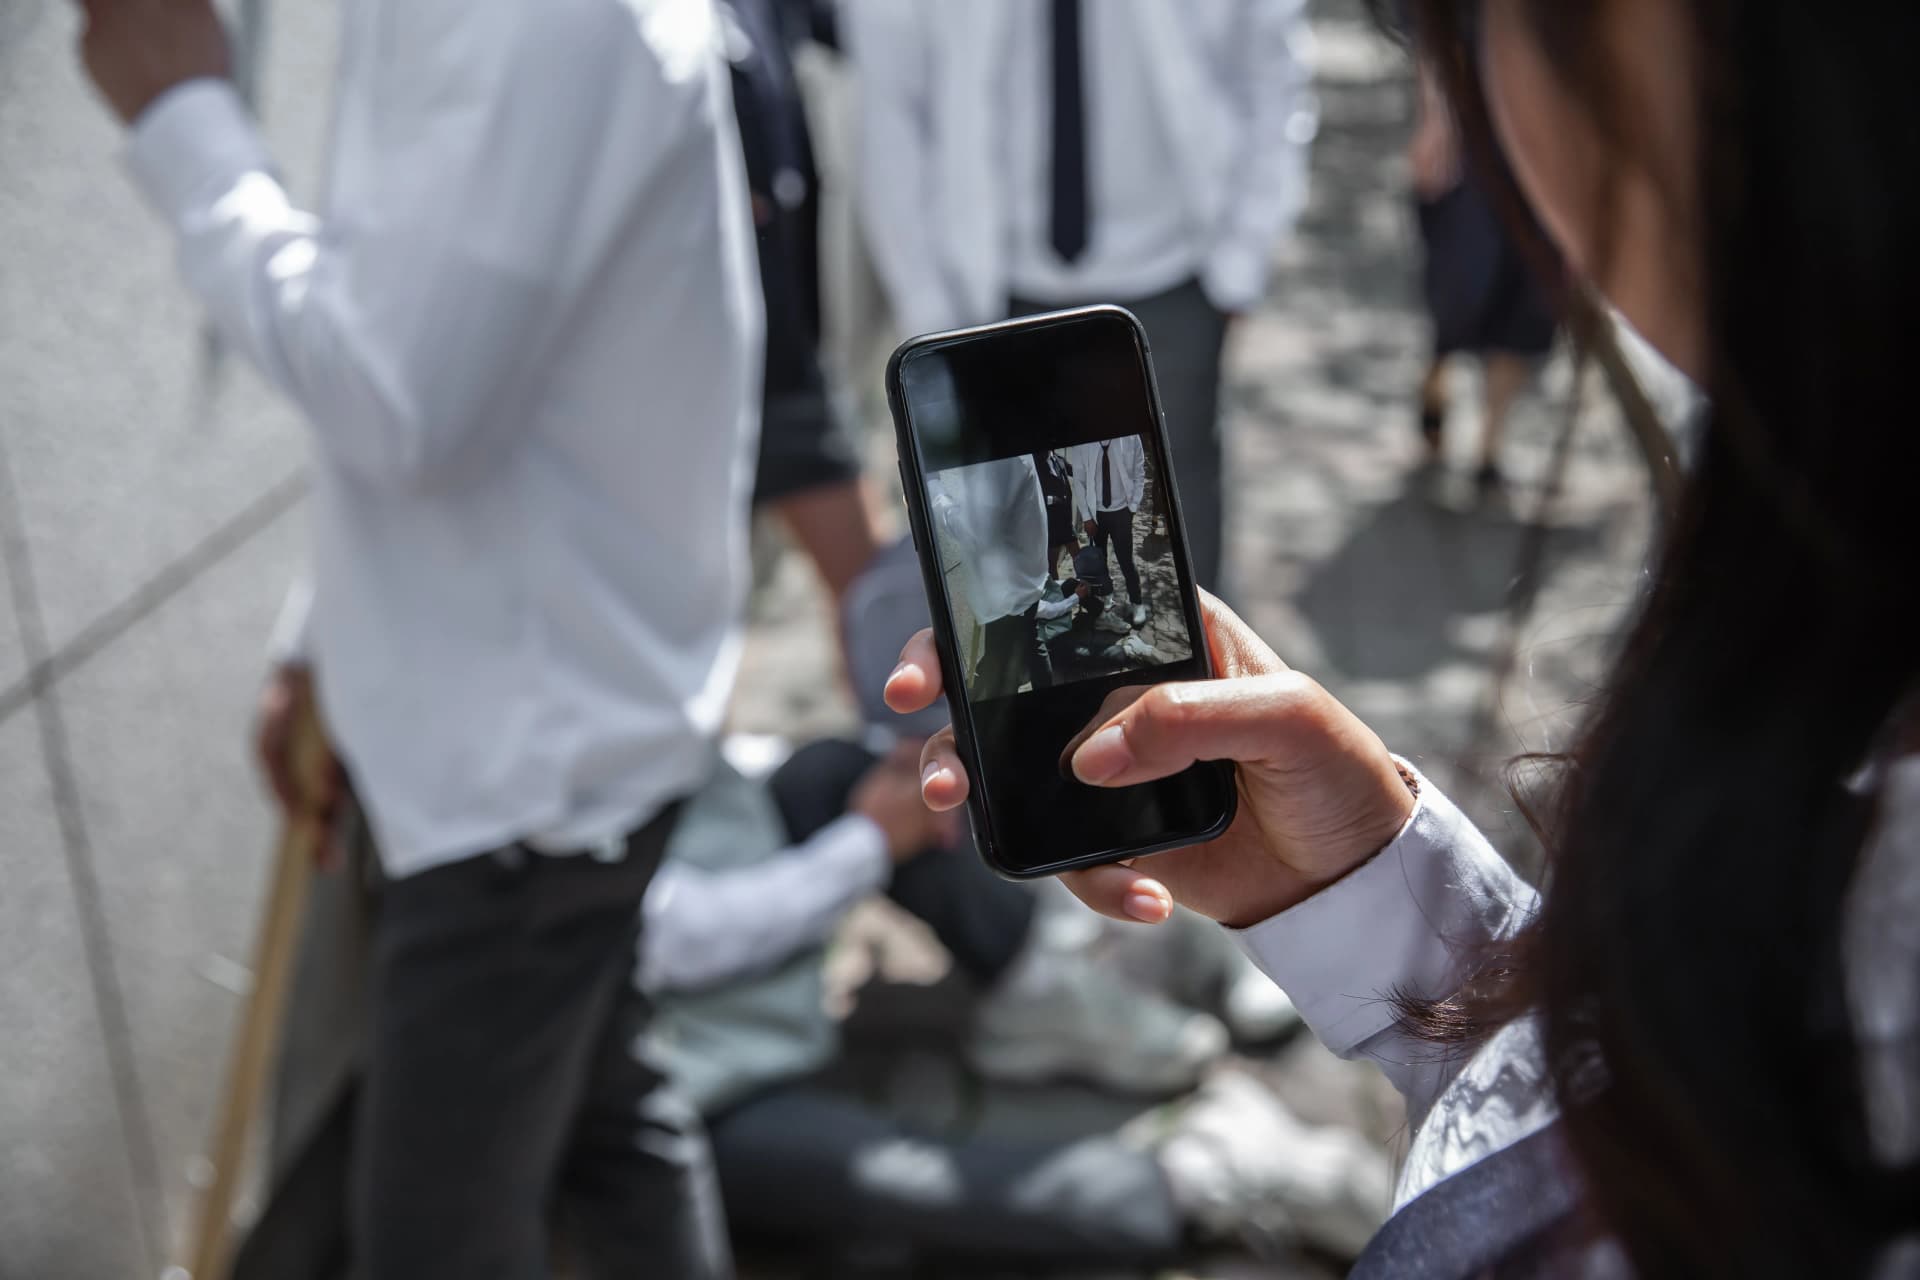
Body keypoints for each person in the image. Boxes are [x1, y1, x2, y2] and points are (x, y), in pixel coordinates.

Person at [887, 0, 1920, 1274]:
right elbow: (1649, 1088)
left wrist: (1239, 257)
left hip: (1177, 259)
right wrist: (1375, 888)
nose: (1463, 58)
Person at [75, 1, 759, 1274]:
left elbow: (406, 401)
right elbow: (435, 342)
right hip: (535, 720)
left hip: (531, 767)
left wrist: (184, 116)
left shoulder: (546, 25)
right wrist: (331, 630)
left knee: (440, 1237)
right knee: (609, 1124)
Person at [635, 740, 1391, 1271]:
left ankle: (1039, 991)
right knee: (878, 1181)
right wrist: (868, 840)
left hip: (710, 942)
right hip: (656, 1074)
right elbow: (669, 939)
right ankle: (1201, 1176)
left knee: (842, 772)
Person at [846, 0, 1317, 593]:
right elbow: (890, 110)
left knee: (1177, 555)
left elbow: (1272, 70)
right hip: (993, 291)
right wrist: (932, 312)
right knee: (1019, 547)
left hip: (1173, 276)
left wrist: (1241, 260)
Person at [726, 0, 886, 601]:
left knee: (873, 593)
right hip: (680, 358)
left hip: (785, 346)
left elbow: (855, 26)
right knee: (696, 622)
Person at [1406, 42, 1559, 494]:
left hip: (1550, 145)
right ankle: (1437, 374)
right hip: (1470, 132)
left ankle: (1489, 450)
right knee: (1458, 289)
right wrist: (1434, 114)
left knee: (1527, 303)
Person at [928, 457, 1069, 698]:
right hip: (1022, 581)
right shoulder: (1011, 456)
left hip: (1007, 591)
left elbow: (973, 529)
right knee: (1032, 644)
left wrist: (934, 489)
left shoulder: (999, 463)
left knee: (1002, 666)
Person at [1067, 435, 1151, 628]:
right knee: (1099, 561)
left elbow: (1139, 472)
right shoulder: (1082, 441)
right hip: (1096, 514)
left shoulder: (1131, 437)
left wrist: (1133, 506)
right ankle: (1106, 601)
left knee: (1126, 561)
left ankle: (1137, 603)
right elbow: (1079, 480)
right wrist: (1087, 516)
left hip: (1122, 511)